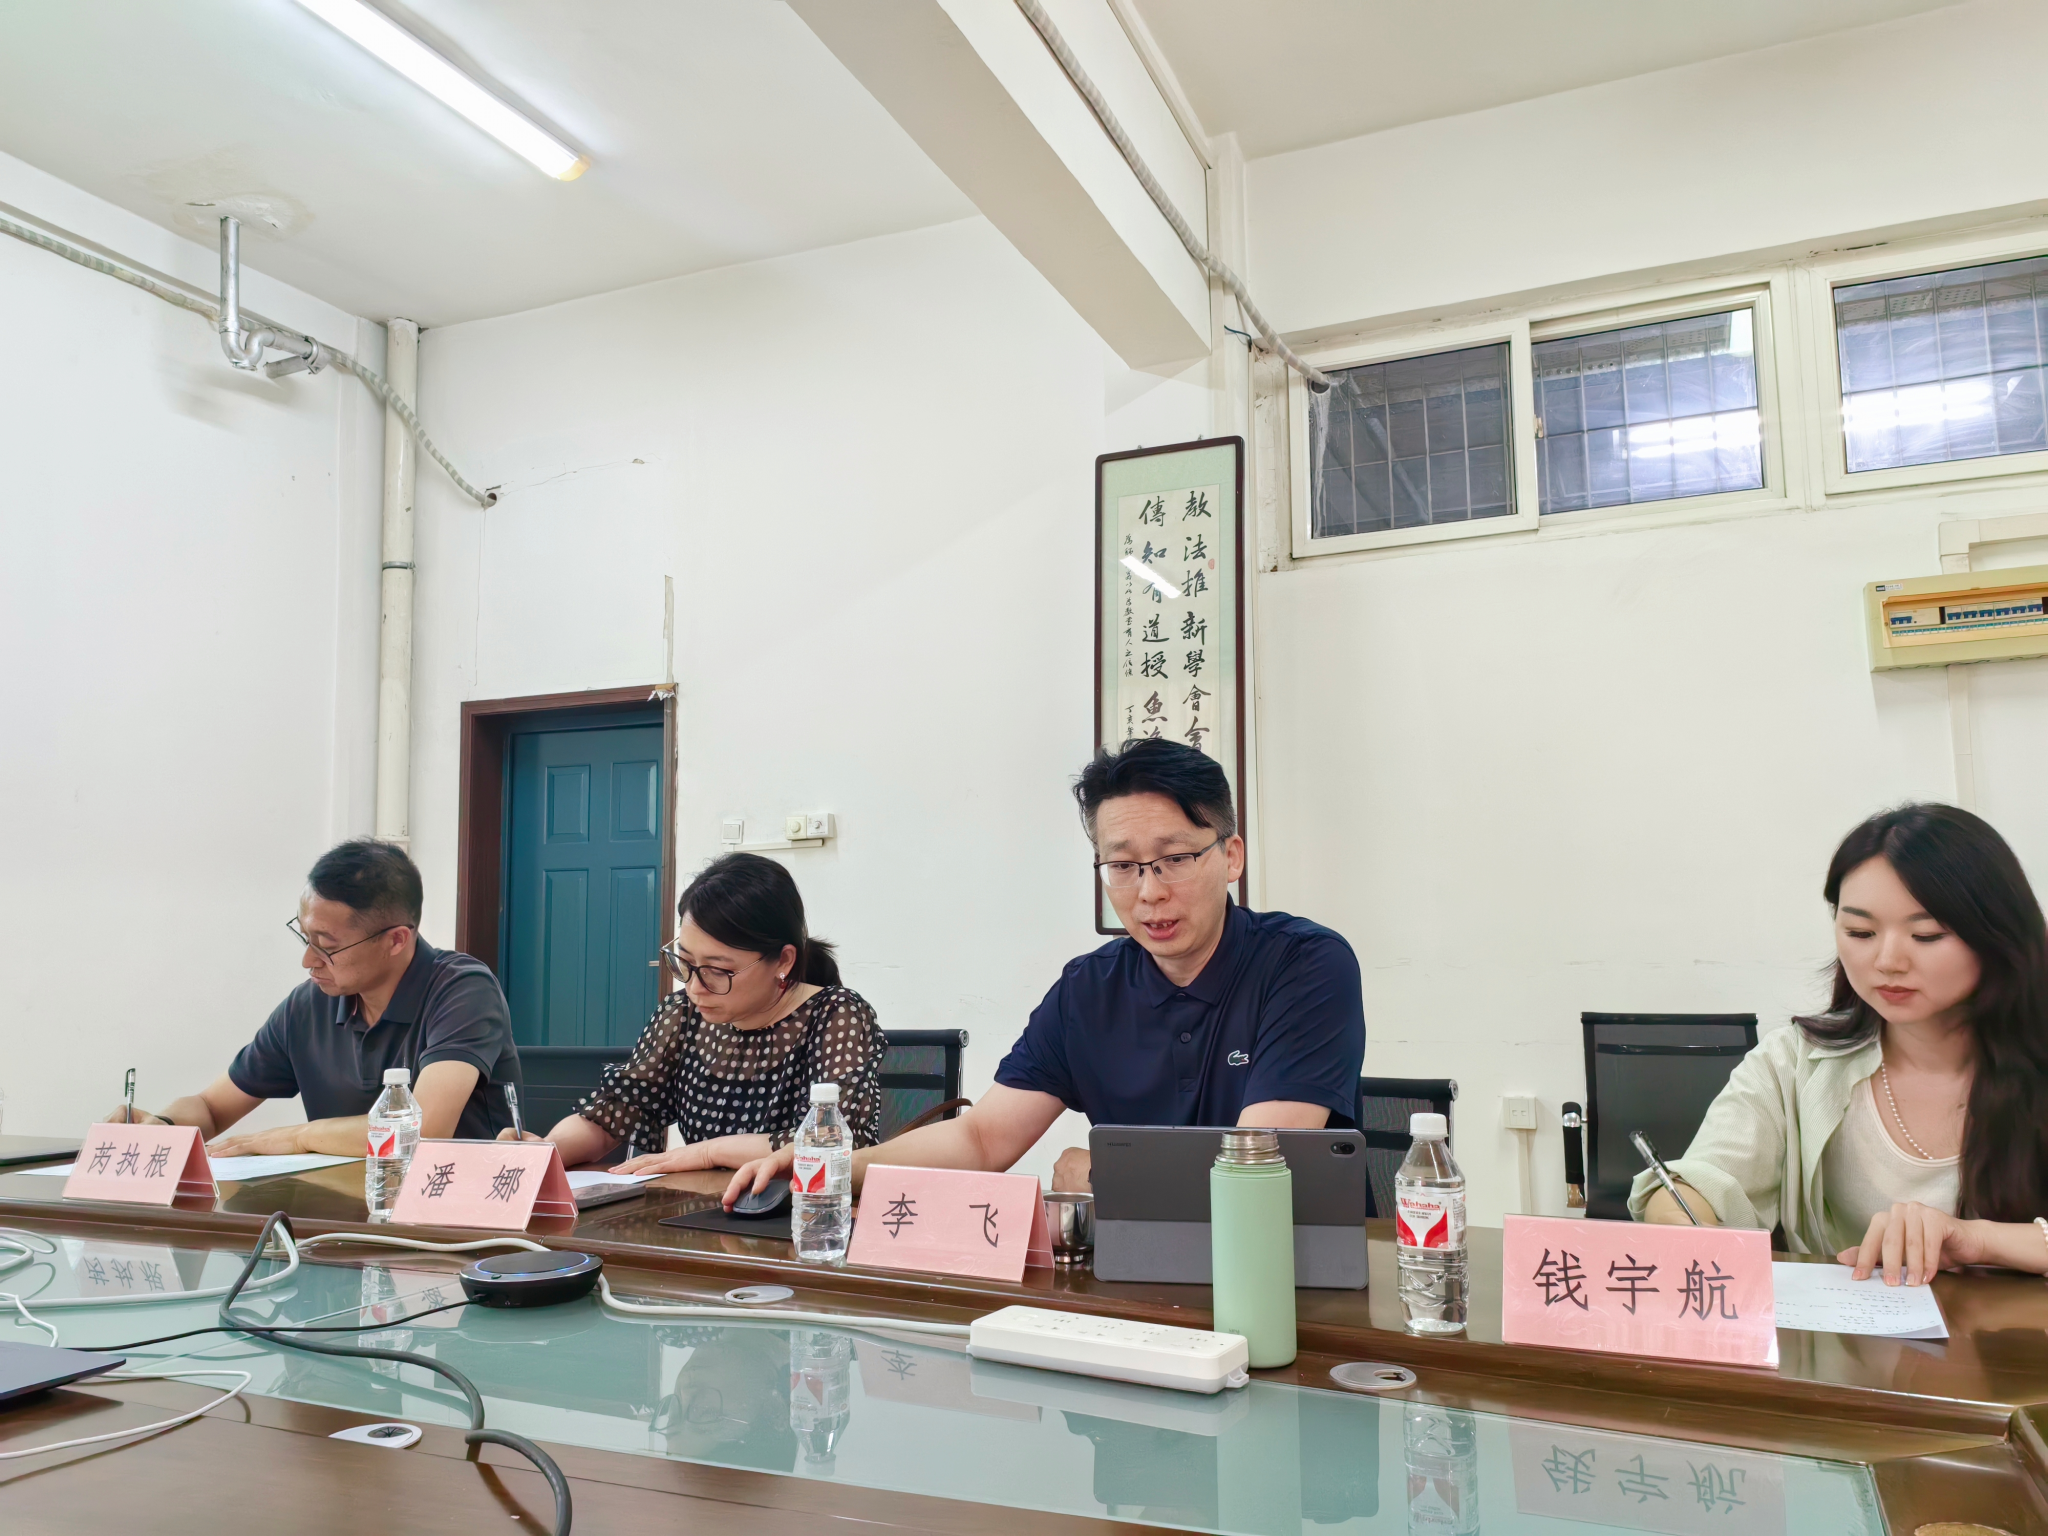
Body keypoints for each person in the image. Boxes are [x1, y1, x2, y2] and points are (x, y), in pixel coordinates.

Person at [723, 737, 1365, 1205]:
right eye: (1122, 866)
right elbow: (981, 1140)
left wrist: (1104, 1174)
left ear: (1231, 857)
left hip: (1292, 1270)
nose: (1149, 892)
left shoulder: (1306, 964)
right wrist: (831, 1163)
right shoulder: (1089, 990)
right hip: (1135, 1270)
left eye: (1174, 858)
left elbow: (1255, 1167)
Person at [1635, 803, 2048, 1287]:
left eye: (1926, 934)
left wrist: (1977, 1240)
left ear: (1998, 934)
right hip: (1845, 1334)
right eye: (1860, 932)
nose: (1888, 960)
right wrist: (1677, 1216)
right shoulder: (1794, 1062)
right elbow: (1706, 1178)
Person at [113, 839, 521, 1152]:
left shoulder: (461, 989)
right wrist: (162, 1128)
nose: (309, 961)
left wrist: (295, 1137)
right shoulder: (309, 1005)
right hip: (338, 1215)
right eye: (304, 937)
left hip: (454, 1218)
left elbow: (422, 1128)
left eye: (326, 945)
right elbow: (211, 1106)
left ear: (396, 940)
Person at [501, 852, 886, 1172]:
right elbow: (618, 1111)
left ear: (783, 961)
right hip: (699, 1209)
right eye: (685, 962)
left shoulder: (836, 1015)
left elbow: (835, 1142)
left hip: (801, 1214)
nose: (694, 987)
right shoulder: (683, 1015)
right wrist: (546, 1150)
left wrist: (707, 1152)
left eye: (718, 970)